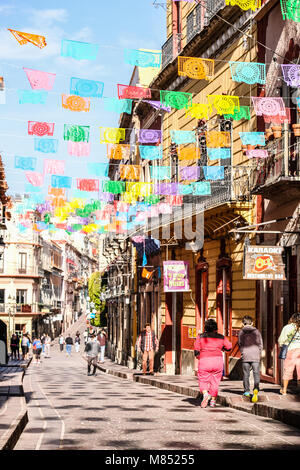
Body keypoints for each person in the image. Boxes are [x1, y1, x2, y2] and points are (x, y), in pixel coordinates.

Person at [194, 319, 232, 408]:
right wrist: (222, 348)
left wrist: (199, 356)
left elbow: (196, 351)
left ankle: (205, 394)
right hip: (217, 361)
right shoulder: (221, 337)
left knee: (203, 379)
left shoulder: (200, 337)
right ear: (216, 328)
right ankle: (213, 402)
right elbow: (229, 347)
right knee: (215, 382)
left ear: (205, 328)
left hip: (204, 361)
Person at [238, 315, 263, 403]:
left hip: (246, 355)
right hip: (255, 354)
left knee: (246, 374)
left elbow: (240, 344)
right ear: (252, 323)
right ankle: (256, 389)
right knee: (256, 373)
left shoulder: (241, 332)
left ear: (243, 323)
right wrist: (259, 352)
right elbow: (260, 343)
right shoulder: (256, 331)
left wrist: (242, 352)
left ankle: (247, 391)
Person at [278, 312, 300, 395]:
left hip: (291, 350)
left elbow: (281, 340)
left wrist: (282, 346)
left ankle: (284, 390)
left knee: (288, 370)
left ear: (292, 319)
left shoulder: (287, 327)